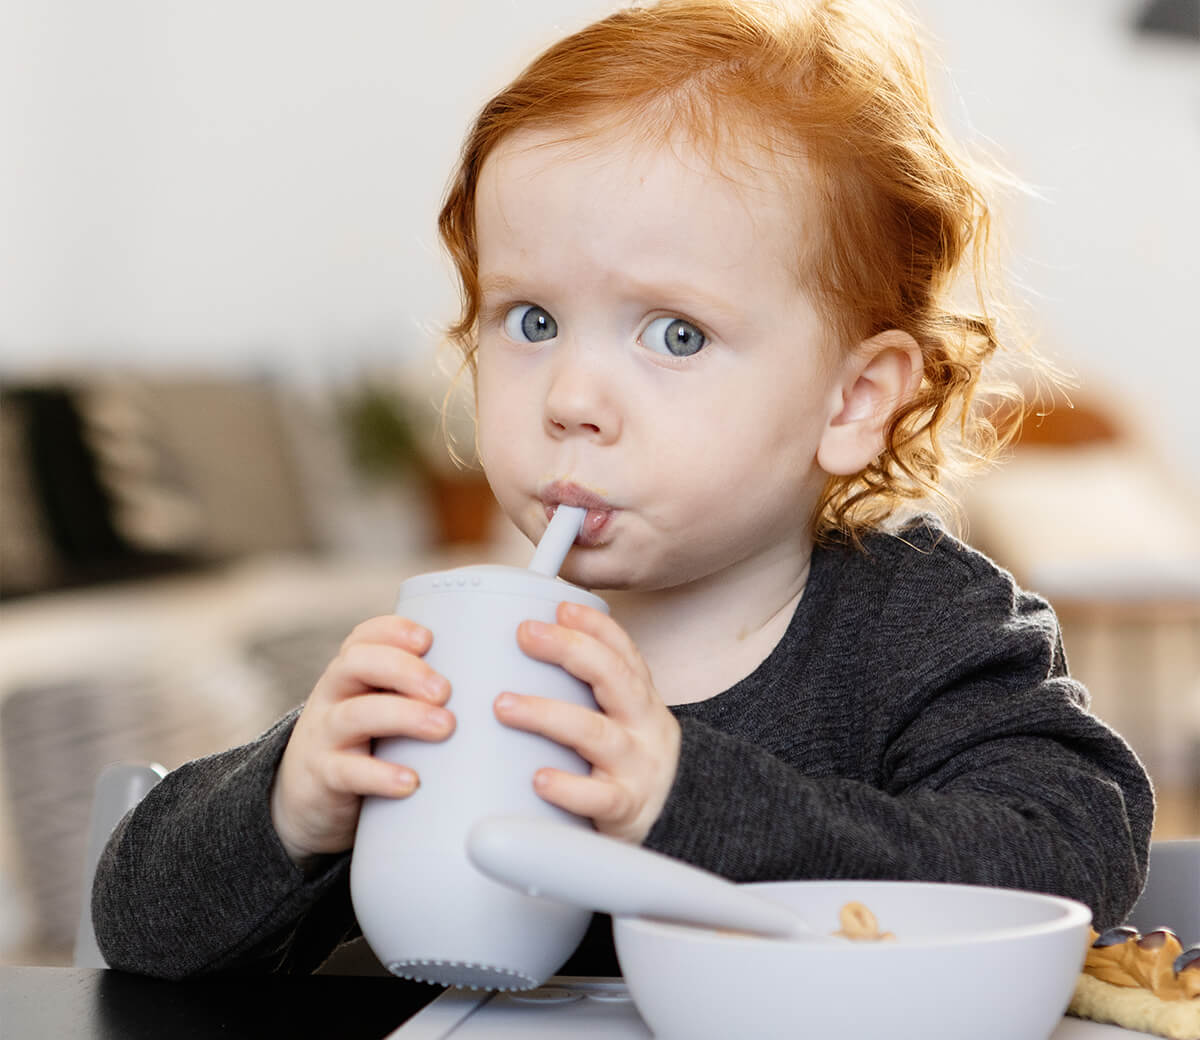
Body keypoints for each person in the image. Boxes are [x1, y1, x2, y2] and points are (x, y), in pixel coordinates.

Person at [93, 0, 1152, 980]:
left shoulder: (925, 625)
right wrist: (289, 805)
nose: (572, 398)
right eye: (531, 320)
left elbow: (1069, 857)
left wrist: (685, 800)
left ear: (852, 400)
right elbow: (135, 927)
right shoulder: (468, 654)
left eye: (674, 334)